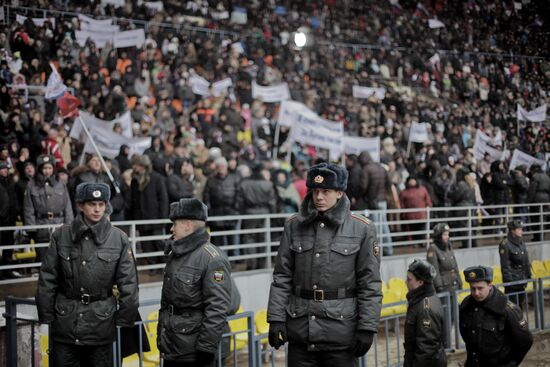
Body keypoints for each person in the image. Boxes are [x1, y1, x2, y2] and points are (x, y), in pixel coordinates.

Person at [267, 162, 382, 366]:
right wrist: (275, 318)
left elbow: (369, 283)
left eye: (326, 191)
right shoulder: (293, 225)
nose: (319, 197)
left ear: (339, 193)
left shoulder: (362, 229)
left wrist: (367, 327)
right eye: (315, 191)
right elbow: (282, 276)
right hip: (301, 333)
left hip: (340, 334)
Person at [35, 182, 139, 367]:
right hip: (66, 323)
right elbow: (47, 279)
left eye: (101, 204)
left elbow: (129, 284)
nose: (97, 209)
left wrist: (124, 320)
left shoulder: (118, 238)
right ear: (81, 205)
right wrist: (47, 317)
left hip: (102, 324)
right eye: (92, 204)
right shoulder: (61, 235)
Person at [158, 198, 232, 367]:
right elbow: (167, 303)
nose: (171, 229)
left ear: (188, 225)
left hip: (194, 351)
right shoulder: (175, 255)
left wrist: (206, 348)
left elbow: (217, 307)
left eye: (174, 224)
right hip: (172, 345)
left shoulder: (212, 259)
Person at [459, 266, 533, 366]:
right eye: (473, 288)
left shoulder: (507, 309)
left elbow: (525, 341)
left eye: (480, 288)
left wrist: (512, 363)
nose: (476, 293)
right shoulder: (466, 305)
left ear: (490, 285)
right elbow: (466, 336)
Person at [24, 155, 73, 261]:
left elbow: (67, 206)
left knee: (61, 257)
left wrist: (69, 225)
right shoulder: (32, 185)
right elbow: (29, 208)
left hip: (59, 224)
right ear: (40, 169)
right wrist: (31, 228)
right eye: (44, 168)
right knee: (43, 258)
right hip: (41, 225)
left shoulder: (60, 184)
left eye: (49, 168)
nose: (47, 171)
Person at [404, 259, 446, 367]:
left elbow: (427, 348)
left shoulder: (426, 307)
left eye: (409, 279)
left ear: (420, 282)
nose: (405, 282)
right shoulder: (422, 299)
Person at [236, 163, 276, 270]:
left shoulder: (244, 184)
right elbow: (272, 202)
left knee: (249, 237)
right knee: (263, 238)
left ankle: (251, 263)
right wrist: (273, 215)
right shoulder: (267, 184)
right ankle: (262, 263)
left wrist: (243, 211)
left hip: (249, 213)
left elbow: (239, 201)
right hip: (264, 212)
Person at [499, 220, 531, 309]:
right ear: (512, 230)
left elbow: (526, 262)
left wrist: (528, 275)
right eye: (519, 229)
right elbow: (505, 266)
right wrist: (509, 282)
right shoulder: (505, 244)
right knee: (511, 308)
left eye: (522, 229)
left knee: (520, 306)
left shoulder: (521, 243)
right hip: (512, 283)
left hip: (521, 280)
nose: (522, 231)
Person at [426, 223, 462, 293]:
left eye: (448, 234)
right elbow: (434, 269)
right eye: (445, 235)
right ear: (439, 236)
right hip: (444, 286)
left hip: (454, 283)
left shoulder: (448, 246)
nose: (447, 237)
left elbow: (455, 266)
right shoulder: (433, 249)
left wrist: (459, 280)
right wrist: (439, 286)